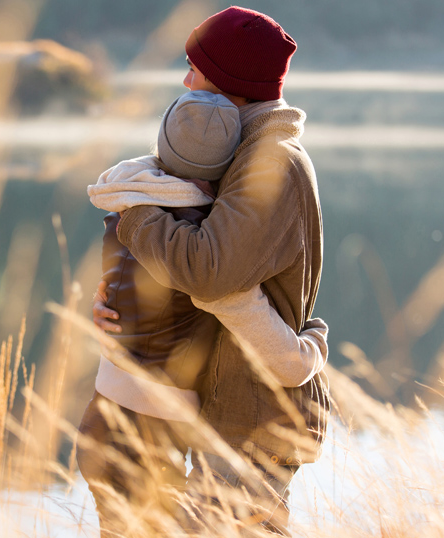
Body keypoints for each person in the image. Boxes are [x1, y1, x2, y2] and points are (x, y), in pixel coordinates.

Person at [89, 6, 330, 535]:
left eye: (195, 69)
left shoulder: (272, 163)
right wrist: (123, 298)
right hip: (227, 400)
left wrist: (133, 214)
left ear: (229, 85)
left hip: (255, 414)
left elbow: (209, 272)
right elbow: (203, 268)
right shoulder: (239, 153)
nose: (185, 80)